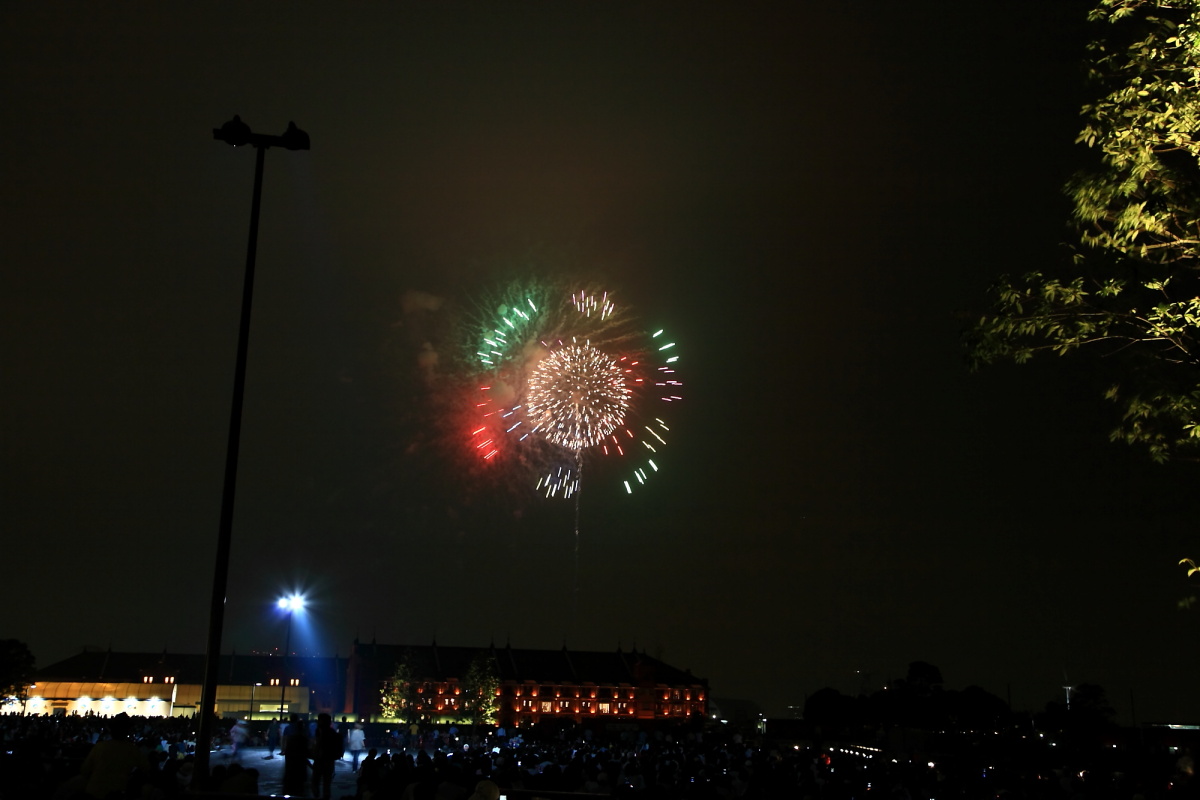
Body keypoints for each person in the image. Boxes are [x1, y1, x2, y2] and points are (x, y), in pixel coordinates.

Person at [79, 712, 150, 799]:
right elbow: (147, 770)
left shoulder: (100, 746)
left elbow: (85, 770)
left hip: (94, 792)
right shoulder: (132, 749)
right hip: (117, 793)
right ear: (128, 730)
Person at [311, 713, 343, 800]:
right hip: (328, 761)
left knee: (316, 782)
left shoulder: (320, 732)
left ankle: (317, 796)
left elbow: (318, 746)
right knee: (326, 783)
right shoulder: (332, 733)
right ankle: (325, 797)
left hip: (321, 761)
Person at [282, 714, 310, 797]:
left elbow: (284, 738)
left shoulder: (288, 729)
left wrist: (283, 748)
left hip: (290, 754)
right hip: (300, 767)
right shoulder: (303, 736)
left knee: (289, 770)